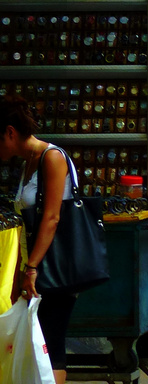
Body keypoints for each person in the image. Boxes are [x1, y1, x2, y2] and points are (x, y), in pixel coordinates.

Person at [1, 101, 85, 384]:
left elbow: (51, 217)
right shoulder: (29, 164)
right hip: (37, 266)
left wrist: (32, 267)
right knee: (43, 341)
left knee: (50, 340)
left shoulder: (53, 157)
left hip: (54, 266)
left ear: (10, 132)